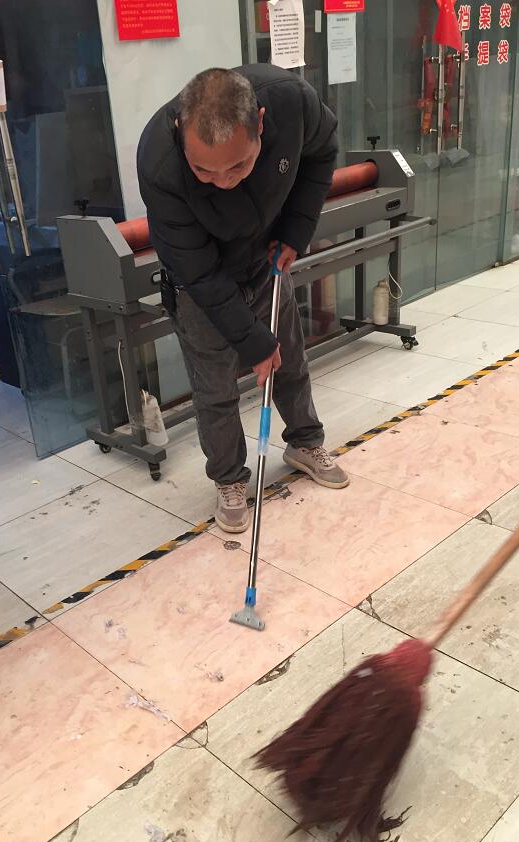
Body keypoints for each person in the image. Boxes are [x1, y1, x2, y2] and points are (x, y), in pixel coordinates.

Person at [137, 64, 349, 534]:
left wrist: (296, 231)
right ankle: (230, 479)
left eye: (238, 165)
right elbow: (199, 272)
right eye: (203, 170)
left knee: (289, 359)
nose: (222, 181)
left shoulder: (292, 102)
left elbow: (322, 152)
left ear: (261, 123)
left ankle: (304, 442)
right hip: (200, 286)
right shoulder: (159, 162)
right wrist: (253, 342)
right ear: (181, 130)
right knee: (215, 390)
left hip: (265, 260)